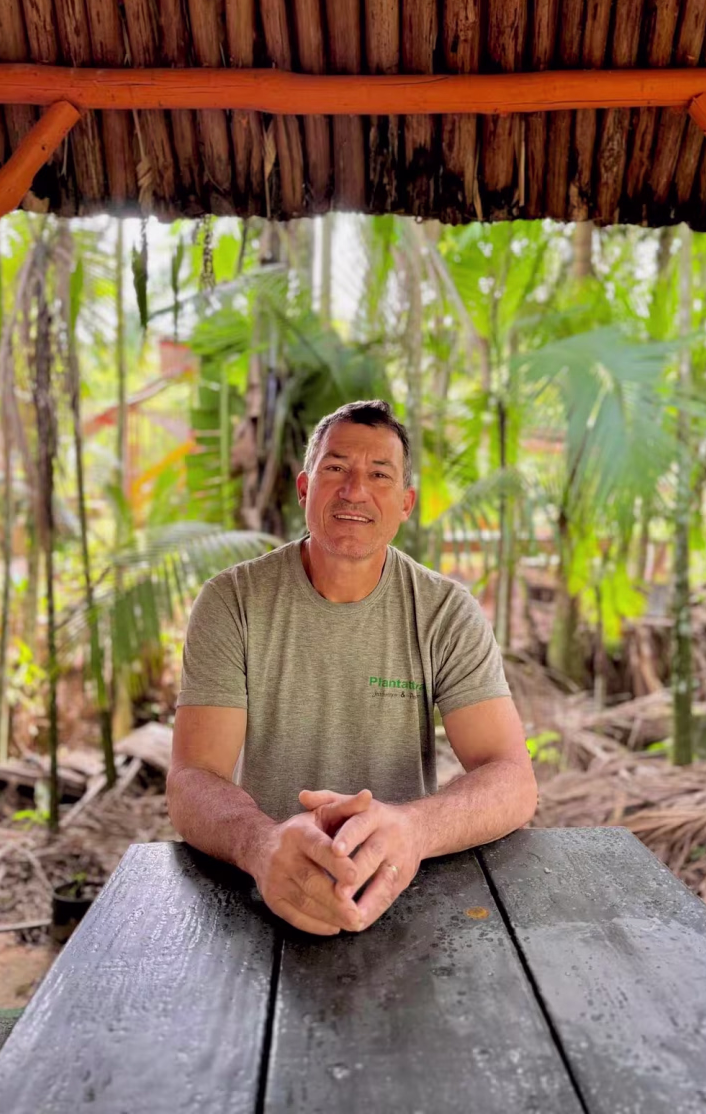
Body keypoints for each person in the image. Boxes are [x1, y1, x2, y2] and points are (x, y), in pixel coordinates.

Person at [168, 400, 537, 936]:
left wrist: (411, 828)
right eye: (336, 468)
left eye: (379, 474)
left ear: (406, 502)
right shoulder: (233, 600)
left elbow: (512, 778)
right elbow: (192, 777)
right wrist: (263, 843)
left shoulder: (444, 610)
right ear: (304, 489)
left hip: (405, 882)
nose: (355, 490)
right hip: (263, 886)